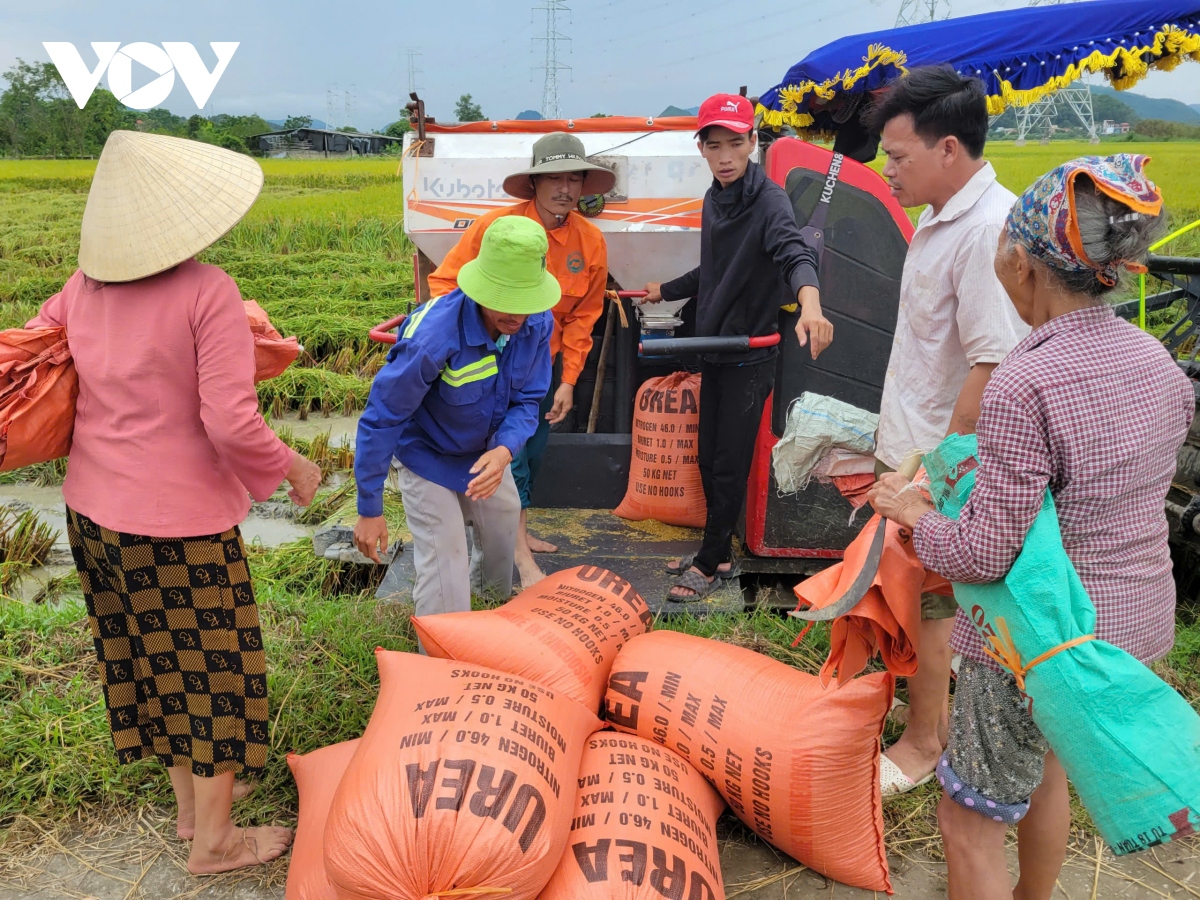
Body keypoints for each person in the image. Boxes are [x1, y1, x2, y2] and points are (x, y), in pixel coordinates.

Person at [869, 154, 1193, 900]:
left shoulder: (1025, 379)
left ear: (1022, 264)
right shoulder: (1156, 360)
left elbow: (986, 553)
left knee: (968, 820)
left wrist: (915, 514)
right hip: (1132, 626)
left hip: (1040, 641)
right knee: (1046, 769)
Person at [27, 131, 323, 873]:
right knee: (212, 669)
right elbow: (229, 419)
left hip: (94, 514)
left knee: (149, 657)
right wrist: (290, 467)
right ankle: (218, 843)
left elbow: (42, 352)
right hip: (177, 527)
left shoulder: (79, 288)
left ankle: (194, 813)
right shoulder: (206, 290)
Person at [865, 65, 1030, 796]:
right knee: (915, 599)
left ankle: (926, 742)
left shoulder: (990, 228)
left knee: (935, 607)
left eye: (898, 156)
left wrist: (931, 473)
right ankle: (915, 712)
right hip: (913, 447)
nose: (887, 170)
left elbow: (990, 366)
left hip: (945, 462)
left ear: (949, 150)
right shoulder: (938, 217)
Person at [642, 93, 831, 602]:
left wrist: (810, 306)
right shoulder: (713, 198)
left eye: (736, 143)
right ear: (701, 148)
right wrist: (668, 289)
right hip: (715, 348)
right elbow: (715, 270)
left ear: (753, 142)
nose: (725, 155)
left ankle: (707, 564)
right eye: (714, 145)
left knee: (728, 462)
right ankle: (720, 550)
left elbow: (794, 254)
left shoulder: (768, 201)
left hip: (750, 352)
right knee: (706, 458)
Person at [427, 133, 613, 588]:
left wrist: (568, 379)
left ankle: (515, 534)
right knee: (499, 452)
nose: (565, 188)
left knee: (531, 449)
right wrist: (478, 344)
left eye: (574, 178)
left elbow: (585, 315)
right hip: (491, 363)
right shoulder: (495, 229)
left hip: (543, 367)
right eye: (554, 177)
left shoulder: (590, 242)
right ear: (534, 183)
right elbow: (443, 284)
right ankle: (516, 555)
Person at [354, 216, 556, 631]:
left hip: (485, 455)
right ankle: (441, 653)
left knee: (503, 528)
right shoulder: (433, 337)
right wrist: (369, 508)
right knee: (447, 564)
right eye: (506, 300)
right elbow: (382, 418)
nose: (518, 315)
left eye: (526, 301)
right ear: (481, 289)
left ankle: (490, 610)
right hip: (425, 456)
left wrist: (503, 451)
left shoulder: (536, 323)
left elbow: (529, 399)